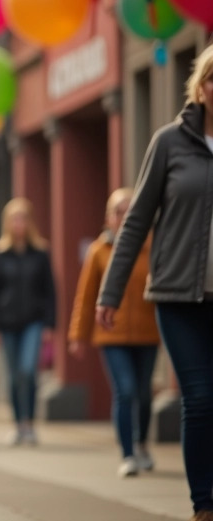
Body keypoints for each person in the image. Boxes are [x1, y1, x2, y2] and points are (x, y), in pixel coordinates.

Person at [97, 46, 213, 521]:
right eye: (212, 80)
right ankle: (203, 512)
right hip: (178, 294)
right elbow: (136, 220)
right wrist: (112, 291)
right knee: (201, 399)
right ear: (200, 86)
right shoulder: (170, 142)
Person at [69, 188, 160, 477]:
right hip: (111, 334)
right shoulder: (99, 250)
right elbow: (86, 297)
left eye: (129, 210)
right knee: (126, 390)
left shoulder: (152, 245)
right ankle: (128, 453)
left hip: (148, 332)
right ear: (109, 218)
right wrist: (78, 336)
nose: (124, 216)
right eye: (118, 211)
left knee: (144, 394)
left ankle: (142, 442)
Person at [0, 198, 56, 446]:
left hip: (33, 322)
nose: (19, 223)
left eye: (23, 218)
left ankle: (29, 423)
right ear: (7, 223)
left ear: (30, 223)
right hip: (6, 324)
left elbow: (50, 291)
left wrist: (50, 324)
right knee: (14, 376)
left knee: (28, 371)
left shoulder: (40, 253)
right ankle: (18, 424)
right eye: (14, 219)